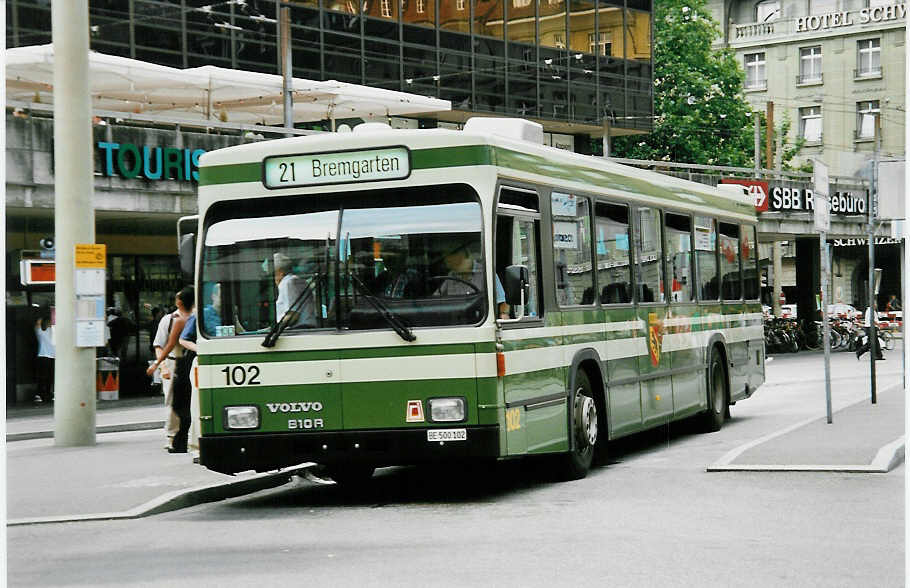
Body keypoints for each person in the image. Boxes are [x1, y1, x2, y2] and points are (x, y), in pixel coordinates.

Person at [147, 288, 192, 450]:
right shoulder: (170, 320)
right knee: (173, 401)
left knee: (185, 401)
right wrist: (163, 366)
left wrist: (156, 365)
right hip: (173, 363)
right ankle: (172, 436)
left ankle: (185, 436)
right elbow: (160, 345)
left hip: (190, 363)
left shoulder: (196, 318)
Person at [434, 242, 509, 319]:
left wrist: (503, 314)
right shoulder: (451, 275)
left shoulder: (487, 273)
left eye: (449, 255)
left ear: (464, 255)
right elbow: (436, 299)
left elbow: (503, 301)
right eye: (445, 256)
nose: (446, 260)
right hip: (455, 322)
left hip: (481, 321)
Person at [168, 290, 196, 454]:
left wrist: (158, 363)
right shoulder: (191, 318)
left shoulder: (178, 320)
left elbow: (171, 344)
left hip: (181, 365)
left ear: (179, 302)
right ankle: (180, 441)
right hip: (184, 364)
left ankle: (179, 442)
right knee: (184, 405)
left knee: (179, 405)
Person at [274, 252, 315, 329]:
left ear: (280, 272)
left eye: (273, 274)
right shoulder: (297, 280)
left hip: (299, 329)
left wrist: (276, 328)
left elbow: (293, 315)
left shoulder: (288, 283)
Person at [34, 308, 55, 404]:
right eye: (48, 322)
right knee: (44, 377)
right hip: (44, 356)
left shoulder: (54, 332)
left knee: (50, 377)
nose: (49, 324)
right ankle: (39, 394)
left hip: (52, 357)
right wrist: (42, 316)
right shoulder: (41, 333)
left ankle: (47, 394)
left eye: (50, 322)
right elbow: (37, 325)